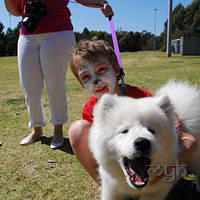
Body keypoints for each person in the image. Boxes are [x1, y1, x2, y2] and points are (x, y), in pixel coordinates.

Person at [68, 39, 197, 184]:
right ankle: (108, 185)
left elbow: (182, 135)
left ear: (116, 70)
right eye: (86, 76)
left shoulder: (141, 98)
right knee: (77, 130)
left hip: (150, 157)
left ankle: (152, 183)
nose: (96, 81)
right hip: (122, 164)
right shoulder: (90, 110)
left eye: (101, 70)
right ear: (81, 84)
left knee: (189, 142)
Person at [4, 0, 113, 149]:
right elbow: (16, 11)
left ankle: (58, 130)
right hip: (28, 33)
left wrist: (101, 3)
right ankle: (37, 130)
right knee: (29, 86)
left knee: (54, 84)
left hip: (58, 32)